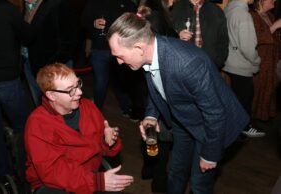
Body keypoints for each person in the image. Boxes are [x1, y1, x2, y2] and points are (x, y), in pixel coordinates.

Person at [107, 12, 249, 194]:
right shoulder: (148, 53)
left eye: (120, 56)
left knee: (199, 184)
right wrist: (151, 115)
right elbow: (158, 85)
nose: (118, 62)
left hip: (209, 127)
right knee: (176, 172)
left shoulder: (187, 64)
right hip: (183, 119)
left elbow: (215, 113)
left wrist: (210, 155)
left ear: (139, 48)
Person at [24, 63, 134, 194]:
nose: (80, 92)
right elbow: (53, 172)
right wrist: (97, 181)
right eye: (71, 89)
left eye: (78, 84)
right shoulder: (37, 123)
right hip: (52, 184)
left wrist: (108, 141)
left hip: (88, 176)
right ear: (52, 96)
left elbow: (104, 151)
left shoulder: (88, 107)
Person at [0, 0, 33, 191]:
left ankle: (2, 176)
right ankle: (27, 172)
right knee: (23, 128)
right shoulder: (9, 10)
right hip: (6, 81)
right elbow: (28, 37)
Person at [136, 1, 177, 192]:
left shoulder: (142, 12)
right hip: (155, 82)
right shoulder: (156, 17)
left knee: (150, 130)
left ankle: (149, 169)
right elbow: (165, 44)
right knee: (159, 134)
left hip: (144, 83)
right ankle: (159, 179)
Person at [81, 0, 137, 112]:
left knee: (121, 82)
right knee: (101, 82)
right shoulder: (94, 2)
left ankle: (127, 109)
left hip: (121, 50)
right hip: (99, 48)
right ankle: (97, 110)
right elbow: (84, 20)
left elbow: (135, 24)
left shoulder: (128, 4)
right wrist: (93, 23)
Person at [23, 0, 79, 106]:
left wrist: (53, 64)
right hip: (29, 62)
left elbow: (70, 40)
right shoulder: (27, 6)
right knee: (40, 102)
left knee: (60, 105)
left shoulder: (58, 4)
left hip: (53, 65)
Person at [223, 0, 265, 138]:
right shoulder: (243, 14)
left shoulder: (229, 9)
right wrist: (257, 61)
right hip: (241, 64)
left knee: (236, 98)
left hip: (231, 61)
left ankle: (235, 128)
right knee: (244, 99)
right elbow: (248, 47)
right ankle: (244, 128)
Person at [170, 0, 229, 69]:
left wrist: (217, 62)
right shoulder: (175, 8)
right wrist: (177, 36)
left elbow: (223, 40)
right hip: (181, 67)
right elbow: (164, 37)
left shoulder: (216, 10)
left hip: (209, 67)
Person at [250, 0, 281, 121]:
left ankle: (263, 116)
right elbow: (255, 38)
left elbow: (273, 38)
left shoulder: (270, 16)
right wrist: (275, 26)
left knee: (269, 88)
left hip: (272, 58)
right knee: (258, 89)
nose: (274, 0)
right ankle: (251, 121)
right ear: (261, 1)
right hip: (259, 58)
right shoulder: (252, 16)